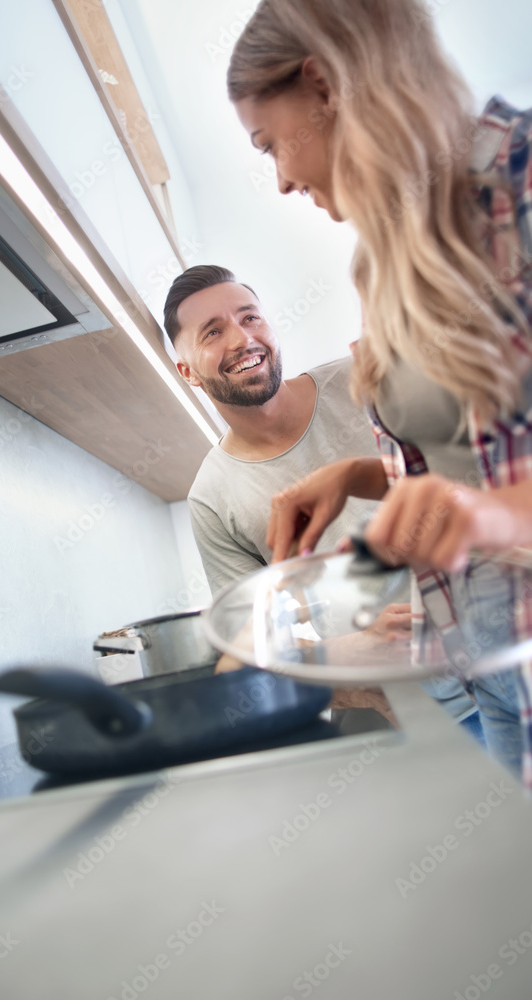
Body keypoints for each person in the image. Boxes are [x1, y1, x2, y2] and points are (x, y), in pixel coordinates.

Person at [226, 0, 532, 779]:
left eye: (269, 143)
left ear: (325, 87)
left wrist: (483, 515)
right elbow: (464, 462)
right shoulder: (383, 264)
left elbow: (483, 500)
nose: (281, 179)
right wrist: (357, 476)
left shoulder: (519, 180)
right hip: (490, 670)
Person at [164, 264, 481, 734]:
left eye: (250, 318)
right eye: (213, 332)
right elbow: (244, 660)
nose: (242, 339)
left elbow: (480, 484)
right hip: (406, 721)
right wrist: (343, 655)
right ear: (187, 370)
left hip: (500, 661)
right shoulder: (211, 497)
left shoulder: (364, 382)